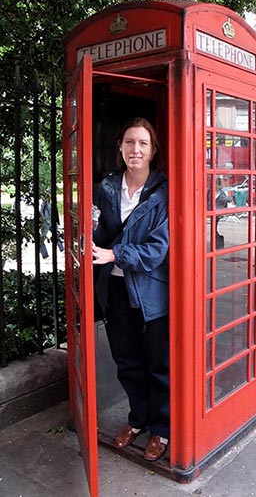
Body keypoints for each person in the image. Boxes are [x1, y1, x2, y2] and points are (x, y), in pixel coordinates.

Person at [92, 117, 169, 462]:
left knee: (158, 363)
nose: (135, 149)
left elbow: (158, 248)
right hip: (116, 289)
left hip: (151, 292)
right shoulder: (106, 187)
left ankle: (163, 428)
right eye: (129, 142)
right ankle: (138, 419)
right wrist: (90, 229)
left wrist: (115, 253)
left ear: (153, 150)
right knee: (127, 362)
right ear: (120, 147)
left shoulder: (163, 191)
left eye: (142, 143)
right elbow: (102, 236)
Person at [39, 191, 64, 259]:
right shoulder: (44, 202)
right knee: (41, 238)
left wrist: (57, 221)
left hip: (52, 221)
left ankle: (62, 249)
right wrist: (44, 220)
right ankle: (45, 255)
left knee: (56, 235)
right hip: (46, 222)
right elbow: (40, 211)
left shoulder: (51, 202)